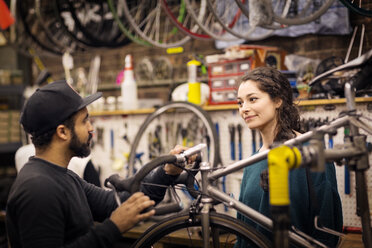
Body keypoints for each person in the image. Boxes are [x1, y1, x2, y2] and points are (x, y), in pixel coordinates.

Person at [6, 80, 184, 248]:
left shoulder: (64, 176)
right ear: (62, 132)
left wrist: (167, 171)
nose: (91, 128)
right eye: (84, 120)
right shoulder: (38, 189)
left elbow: (117, 203)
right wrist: (114, 227)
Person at [235, 67, 343, 247]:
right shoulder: (251, 163)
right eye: (240, 103)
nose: (244, 109)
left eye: (252, 99)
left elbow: (327, 230)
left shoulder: (310, 153)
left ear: (278, 100)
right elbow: (242, 233)